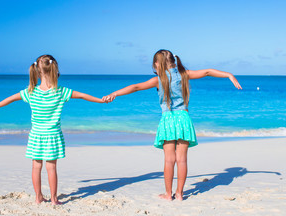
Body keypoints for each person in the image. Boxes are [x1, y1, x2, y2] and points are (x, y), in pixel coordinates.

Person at [103, 49, 242, 201]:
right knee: (182, 160)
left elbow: (135, 87)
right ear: (174, 61)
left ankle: (169, 195)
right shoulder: (184, 74)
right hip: (183, 118)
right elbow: (208, 72)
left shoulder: (158, 79)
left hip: (167, 120)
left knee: (169, 160)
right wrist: (229, 75)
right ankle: (180, 194)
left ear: (157, 64)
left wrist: (114, 93)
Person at [0, 54, 105, 205]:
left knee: (36, 167)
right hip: (53, 135)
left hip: (35, 136)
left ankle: (38, 197)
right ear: (55, 70)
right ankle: (54, 199)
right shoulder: (61, 92)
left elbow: (11, 98)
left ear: (37, 71)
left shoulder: (30, 92)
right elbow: (83, 96)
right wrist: (100, 100)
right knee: (51, 168)